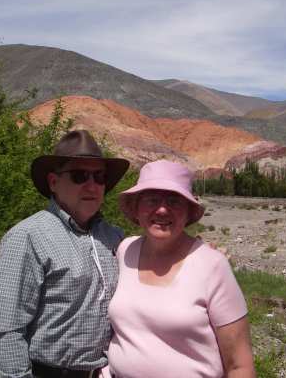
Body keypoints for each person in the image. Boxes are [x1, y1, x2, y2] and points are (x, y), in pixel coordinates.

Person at [0, 130, 129, 378]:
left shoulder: (114, 237)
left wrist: (191, 252)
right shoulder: (28, 236)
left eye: (100, 177)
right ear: (53, 182)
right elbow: (5, 329)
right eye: (79, 175)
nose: (92, 185)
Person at [101, 160, 255, 378]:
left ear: (188, 211)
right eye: (152, 199)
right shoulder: (125, 250)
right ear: (136, 207)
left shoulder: (211, 265)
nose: (162, 209)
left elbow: (240, 366)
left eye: (174, 201)